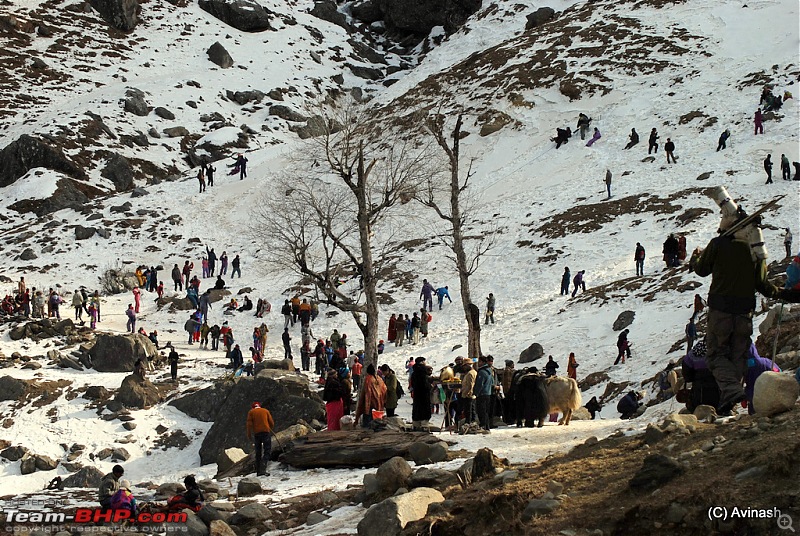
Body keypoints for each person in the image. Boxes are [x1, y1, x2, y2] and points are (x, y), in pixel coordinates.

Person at [691, 214, 798, 415]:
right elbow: (764, 286)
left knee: (715, 355)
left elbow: (701, 269)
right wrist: (790, 295)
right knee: (738, 355)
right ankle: (730, 398)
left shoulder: (718, 244)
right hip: (744, 313)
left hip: (720, 311)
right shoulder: (755, 250)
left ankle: (731, 392)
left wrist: (696, 256)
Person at [246, 402, 274, 476]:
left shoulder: (251, 412)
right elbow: (271, 423)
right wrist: (269, 428)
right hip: (266, 433)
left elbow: (249, 425)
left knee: (258, 452)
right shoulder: (265, 411)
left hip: (257, 434)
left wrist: (249, 435)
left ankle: (258, 471)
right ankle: (263, 466)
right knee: (267, 450)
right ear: (259, 406)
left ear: (253, 407)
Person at [410, 357, 432, 429]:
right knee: (424, 409)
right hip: (424, 394)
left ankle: (416, 425)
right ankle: (424, 425)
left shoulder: (414, 373)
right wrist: (430, 386)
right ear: (422, 362)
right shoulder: (423, 372)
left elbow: (412, 384)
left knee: (417, 409)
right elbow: (425, 385)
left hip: (417, 394)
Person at [474, 355, 495, 431]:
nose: (478, 363)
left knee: (481, 411)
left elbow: (479, 384)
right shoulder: (490, 371)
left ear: (482, 362)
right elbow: (492, 382)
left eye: (479, 361)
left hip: (482, 394)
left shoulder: (482, 372)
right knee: (486, 411)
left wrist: (476, 393)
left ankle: (483, 425)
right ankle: (487, 425)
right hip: (488, 393)